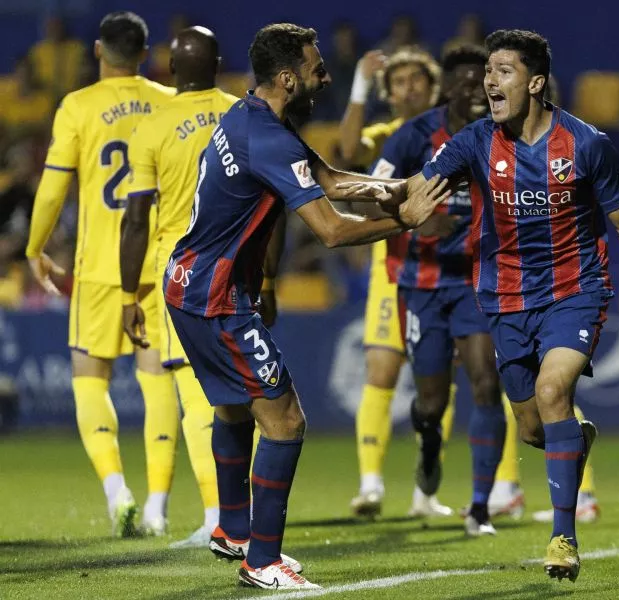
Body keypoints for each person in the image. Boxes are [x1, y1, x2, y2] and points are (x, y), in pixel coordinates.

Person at [343, 29, 619, 581]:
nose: (489, 81)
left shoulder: (587, 145)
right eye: (488, 71)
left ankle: (563, 536)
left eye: (503, 71)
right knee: (535, 427)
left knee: (552, 389)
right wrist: (333, 192)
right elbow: (416, 194)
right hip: (506, 298)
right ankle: (572, 441)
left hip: (574, 292)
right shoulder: (473, 142)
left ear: (536, 82)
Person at [162, 23, 448, 590]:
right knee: (286, 421)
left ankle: (233, 530)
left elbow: (331, 178)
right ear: (289, 77)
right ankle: (262, 562)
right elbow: (333, 232)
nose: (325, 74)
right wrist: (404, 220)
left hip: (189, 283)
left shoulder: (252, 118)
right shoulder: (268, 138)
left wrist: (397, 186)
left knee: (236, 409)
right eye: (317, 68)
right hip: (215, 298)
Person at [26, 11, 177, 538]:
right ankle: (158, 505)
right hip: (156, 265)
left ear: (97, 50)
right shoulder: (168, 102)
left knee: (90, 380)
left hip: (97, 268)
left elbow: (51, 189)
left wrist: (35, 247)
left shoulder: (78, 106)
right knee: (158, 381)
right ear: (145, 52)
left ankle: (118, 493)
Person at [370, 44, 508, 536]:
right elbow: (373, 194)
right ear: (447, 88)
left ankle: (479, 508)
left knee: (487, 384)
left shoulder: (505, 136)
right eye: (468, 82)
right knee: (431, 403)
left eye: (487, 81)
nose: (479, 90)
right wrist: (413, 223)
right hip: (422, 284)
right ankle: (429, 443)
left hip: (478, 282)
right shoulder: (416, 135)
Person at [120, 26, 238, 547]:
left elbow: (136, 218)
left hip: (182, 269)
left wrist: (129, 295)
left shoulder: (153, 126)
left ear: (169, 69)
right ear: (218, 63)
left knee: (196, 395)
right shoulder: (242, 113)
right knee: (238, 393)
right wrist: (273, 274)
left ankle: (220, 516)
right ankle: (239, 512)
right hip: (239, 263)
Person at [338, 47, 458, 518]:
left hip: (448, 270)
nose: (409, 88)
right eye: (400, 82)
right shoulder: (386, 134)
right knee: (382, 373)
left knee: (437, 384)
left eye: (418, 80)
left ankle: (426, 493)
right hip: (393, 272)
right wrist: (359, 86)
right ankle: (370, 485)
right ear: (389, 93)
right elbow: (348, 153)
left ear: (433, 89)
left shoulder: (456, 137)